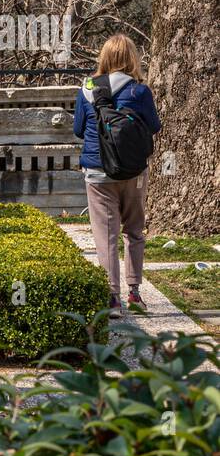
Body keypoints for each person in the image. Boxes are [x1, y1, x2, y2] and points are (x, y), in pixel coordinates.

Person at [72, 34, 161, 311]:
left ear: (105, 58)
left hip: (98, 174)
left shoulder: (87, 89)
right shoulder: (139, 91)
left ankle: (112, 298)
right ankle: (134, 293)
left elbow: (78, 129)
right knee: (134, 230)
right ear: (132, 58)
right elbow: (155, 127)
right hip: (133, 173)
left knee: (106, 235)